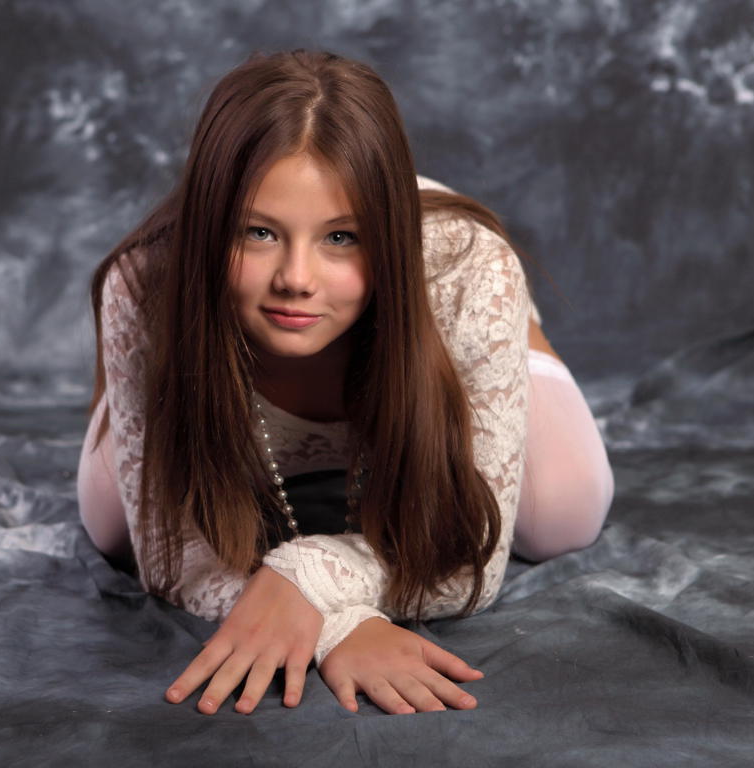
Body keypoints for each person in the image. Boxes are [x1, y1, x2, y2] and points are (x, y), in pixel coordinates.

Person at [76, 49, 614, 718]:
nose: (296, 279)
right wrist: (341, 625)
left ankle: (481, 309)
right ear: (212, 224)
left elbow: (469, 565)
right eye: (258, 231)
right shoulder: (142, 283)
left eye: (341, 237)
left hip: (438, 293)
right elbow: (169, 563)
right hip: (192, 317)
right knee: (110, 531)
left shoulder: (468, 274)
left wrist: (305, 575)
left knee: (562, 517)